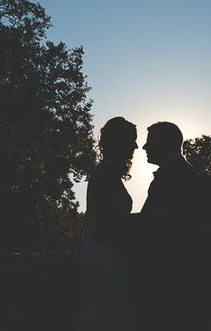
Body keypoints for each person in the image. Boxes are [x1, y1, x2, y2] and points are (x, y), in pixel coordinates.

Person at [76, 117, 138, 331]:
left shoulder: (104, 171)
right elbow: (106, 221)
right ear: (120, 142)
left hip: (97, 250)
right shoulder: (107, 172)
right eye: (132, 140)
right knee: (106, 313)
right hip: (103, 252)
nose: (136, 146)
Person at [137, 121, 200, 330]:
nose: (145, 147)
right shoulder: (177, 171)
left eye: (150, 142)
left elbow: (161, 221)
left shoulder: (176, 173)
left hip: (169, 274)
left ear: (168, 142)